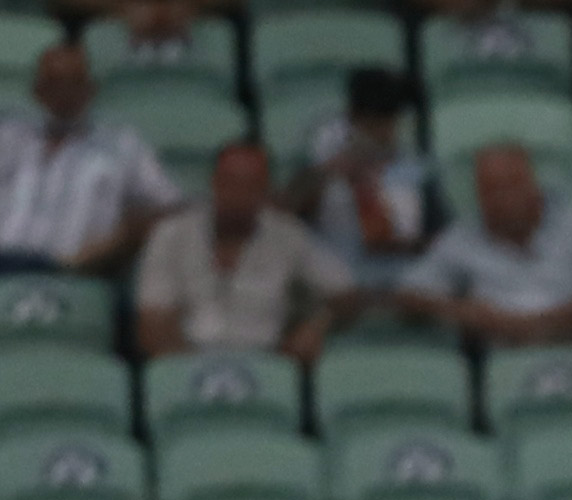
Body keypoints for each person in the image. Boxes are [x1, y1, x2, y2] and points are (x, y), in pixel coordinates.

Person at [135, 139, 355, 361]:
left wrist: (315, 325)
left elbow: (344, 294)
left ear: (266, 190)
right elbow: (152, 324)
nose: (237, 195)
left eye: (250, 186)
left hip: (266, 363)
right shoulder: (171, 234)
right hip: (188, 363)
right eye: (230, 183)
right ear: (213, 182)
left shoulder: (288, 235)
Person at [394, 144, 572, 345]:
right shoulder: (464, 234)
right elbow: (409, 297)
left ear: (532, 183)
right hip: (496, 356)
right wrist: (468, 314)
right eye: (490, 190)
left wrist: (534, 326)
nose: (502, 198)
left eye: (511, 185)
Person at [0, 43, 181, 274]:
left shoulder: (122, 145)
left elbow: (172, 208)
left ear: (91, 88)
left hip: (71, 272)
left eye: (74, 83)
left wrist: (123, 238)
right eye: (54, 83)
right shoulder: (7, 137)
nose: (64, 94)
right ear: (37, 90)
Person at [288, 69, 434, 293]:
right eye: (377, 120)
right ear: (355, 116)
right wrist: (332, 172)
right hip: (333, 272)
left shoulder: (409, 160)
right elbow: (287, 212)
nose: (386, 130)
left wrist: (407, 244)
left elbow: (434, 232)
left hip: (402, 273)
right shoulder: (320, 148)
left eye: (392, 118)